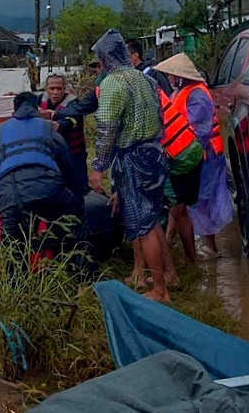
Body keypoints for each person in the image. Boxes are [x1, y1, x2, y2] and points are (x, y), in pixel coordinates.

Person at [90, 29, 174, 302]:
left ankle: (159, 290)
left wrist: (98, 168)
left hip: (133, 158)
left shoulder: (113, 83)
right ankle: (168, 275)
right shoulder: (146, 79)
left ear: (106, 58)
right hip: (156, 153)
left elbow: (106, 130)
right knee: (153, 218)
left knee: (143, 226)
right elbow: (161, 118)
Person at [155, 52, 232, 260]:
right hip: (190, 155)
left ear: (180, 76)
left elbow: (201, 131)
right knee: (181, 200)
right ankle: (171, 241)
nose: (169, 78)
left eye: (171, 75)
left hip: (205, 155)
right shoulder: (181, 92)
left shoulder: (197, 94)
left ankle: (210, 247)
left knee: (203, 200)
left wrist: (188, 153)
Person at [0, 91, 85, 242]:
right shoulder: (49, 129)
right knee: (74, 222)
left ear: (13, 112)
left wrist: (1, 201)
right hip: (48, 188)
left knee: (11, 245)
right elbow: (69, 171)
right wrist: (77, 198)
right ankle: (70, 251)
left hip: (9, 193)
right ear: (38, 110)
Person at [39, 74, 88, 195]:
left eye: (59, 88)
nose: (55, 92)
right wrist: (13, 96)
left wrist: (60, 124)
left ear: (64, 89)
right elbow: (25, 104)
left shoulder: (73, 103)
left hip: (73, 153)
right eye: (52, 88)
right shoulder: (40, 100)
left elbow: (74, 119)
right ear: (46, 89)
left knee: (79, 188)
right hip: (51, 152)